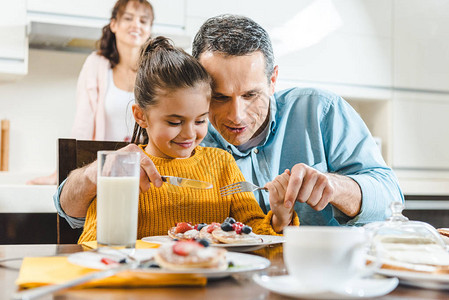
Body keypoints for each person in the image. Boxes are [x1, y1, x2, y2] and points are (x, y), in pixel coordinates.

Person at [54, 14, 403, 228]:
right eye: (219, 98)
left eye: (251, 95)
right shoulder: (183, 136)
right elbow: (72, 214)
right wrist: (94, 175)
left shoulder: (321, 112)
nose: (236, 116)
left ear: (273, 79)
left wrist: (336, 187)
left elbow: (391, 197)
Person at [62, 36, 298, 242]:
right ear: (141, 116)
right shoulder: (124, 171)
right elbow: (94, 243)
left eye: (200, 120)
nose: (189, 134)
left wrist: (280, 215)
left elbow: (252, 231)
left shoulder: (222, 164)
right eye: (174, 122)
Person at [27, 0, 154, 185]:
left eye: (143, 21)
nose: (136, 25)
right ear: (114, 24)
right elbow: (83, 122)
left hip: (145, 171)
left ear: (149, 29)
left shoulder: (155, 69)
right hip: (103, 172)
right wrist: (63, 172)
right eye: (128, 18)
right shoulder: (96, 64)